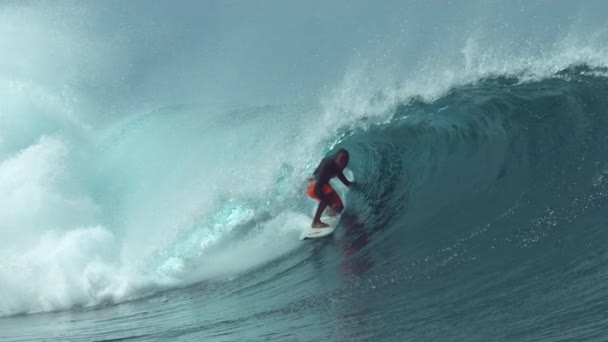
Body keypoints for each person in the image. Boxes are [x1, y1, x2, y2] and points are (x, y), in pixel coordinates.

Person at [306, 148, 354, 228]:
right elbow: (317, 190)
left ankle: (328, 212)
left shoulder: (339, 164)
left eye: (345, 161)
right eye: (341, 161)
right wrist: (331, 204)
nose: (343, 164)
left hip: (323, 184)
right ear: (335, 158)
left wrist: (347, 183)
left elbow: (338, 172)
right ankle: (316, 221)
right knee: (327, 196)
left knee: (339, 208)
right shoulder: (327, 166)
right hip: (313, 185)